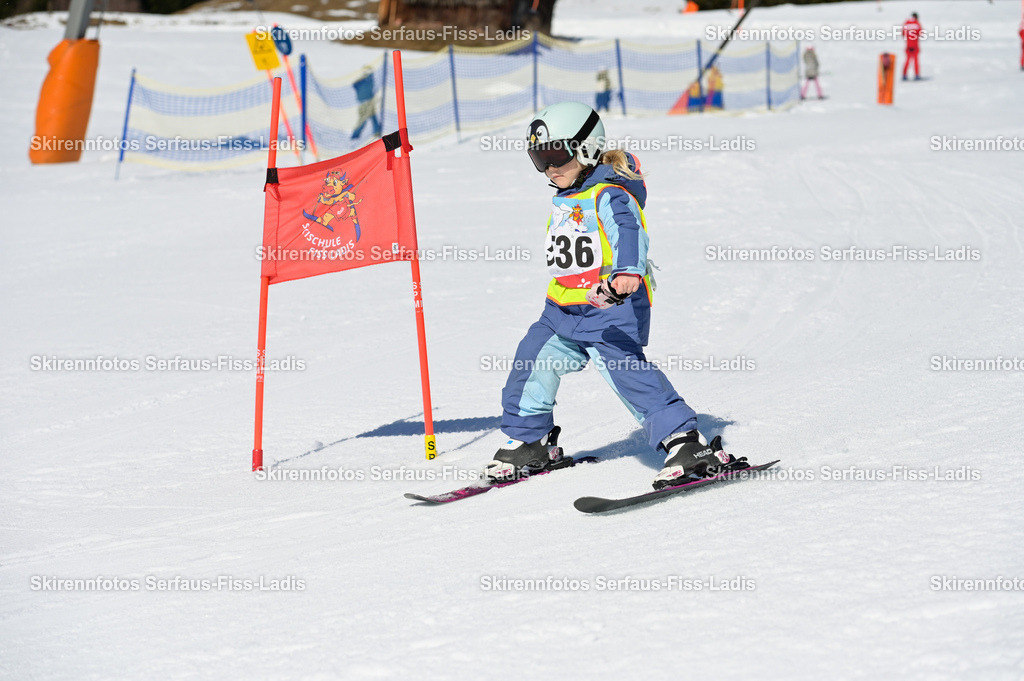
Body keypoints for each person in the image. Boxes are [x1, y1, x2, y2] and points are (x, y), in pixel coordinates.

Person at [485, 102, 733, 490]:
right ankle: (528, 442)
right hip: (562, 308)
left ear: (585, 148)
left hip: (609, 306)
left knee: (627, 373)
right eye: (539, 158)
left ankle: (685, 444)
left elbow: (628, 232)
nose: (549, 167)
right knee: (531, 361)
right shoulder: (567, 195)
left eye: (555, 154)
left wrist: (628, 272)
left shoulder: (610, 194)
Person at [902, 12, 923, 80]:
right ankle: (917, 75)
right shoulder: (917, 23)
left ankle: (904, 75)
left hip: (908, 45)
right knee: (916, 61)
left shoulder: (906, 23)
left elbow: (903, 33)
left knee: (907, 60)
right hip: (915, 45)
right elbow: (920, 33)